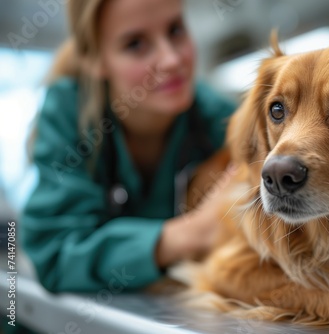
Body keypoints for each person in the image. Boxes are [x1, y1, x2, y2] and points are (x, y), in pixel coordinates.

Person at [21, 0, 236, 292]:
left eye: (175, 30)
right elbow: (55, 253)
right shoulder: (69, 112)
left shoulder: (223, 120)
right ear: (94, 59)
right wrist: (190, 234)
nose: (171, 60)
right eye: (136, 44)